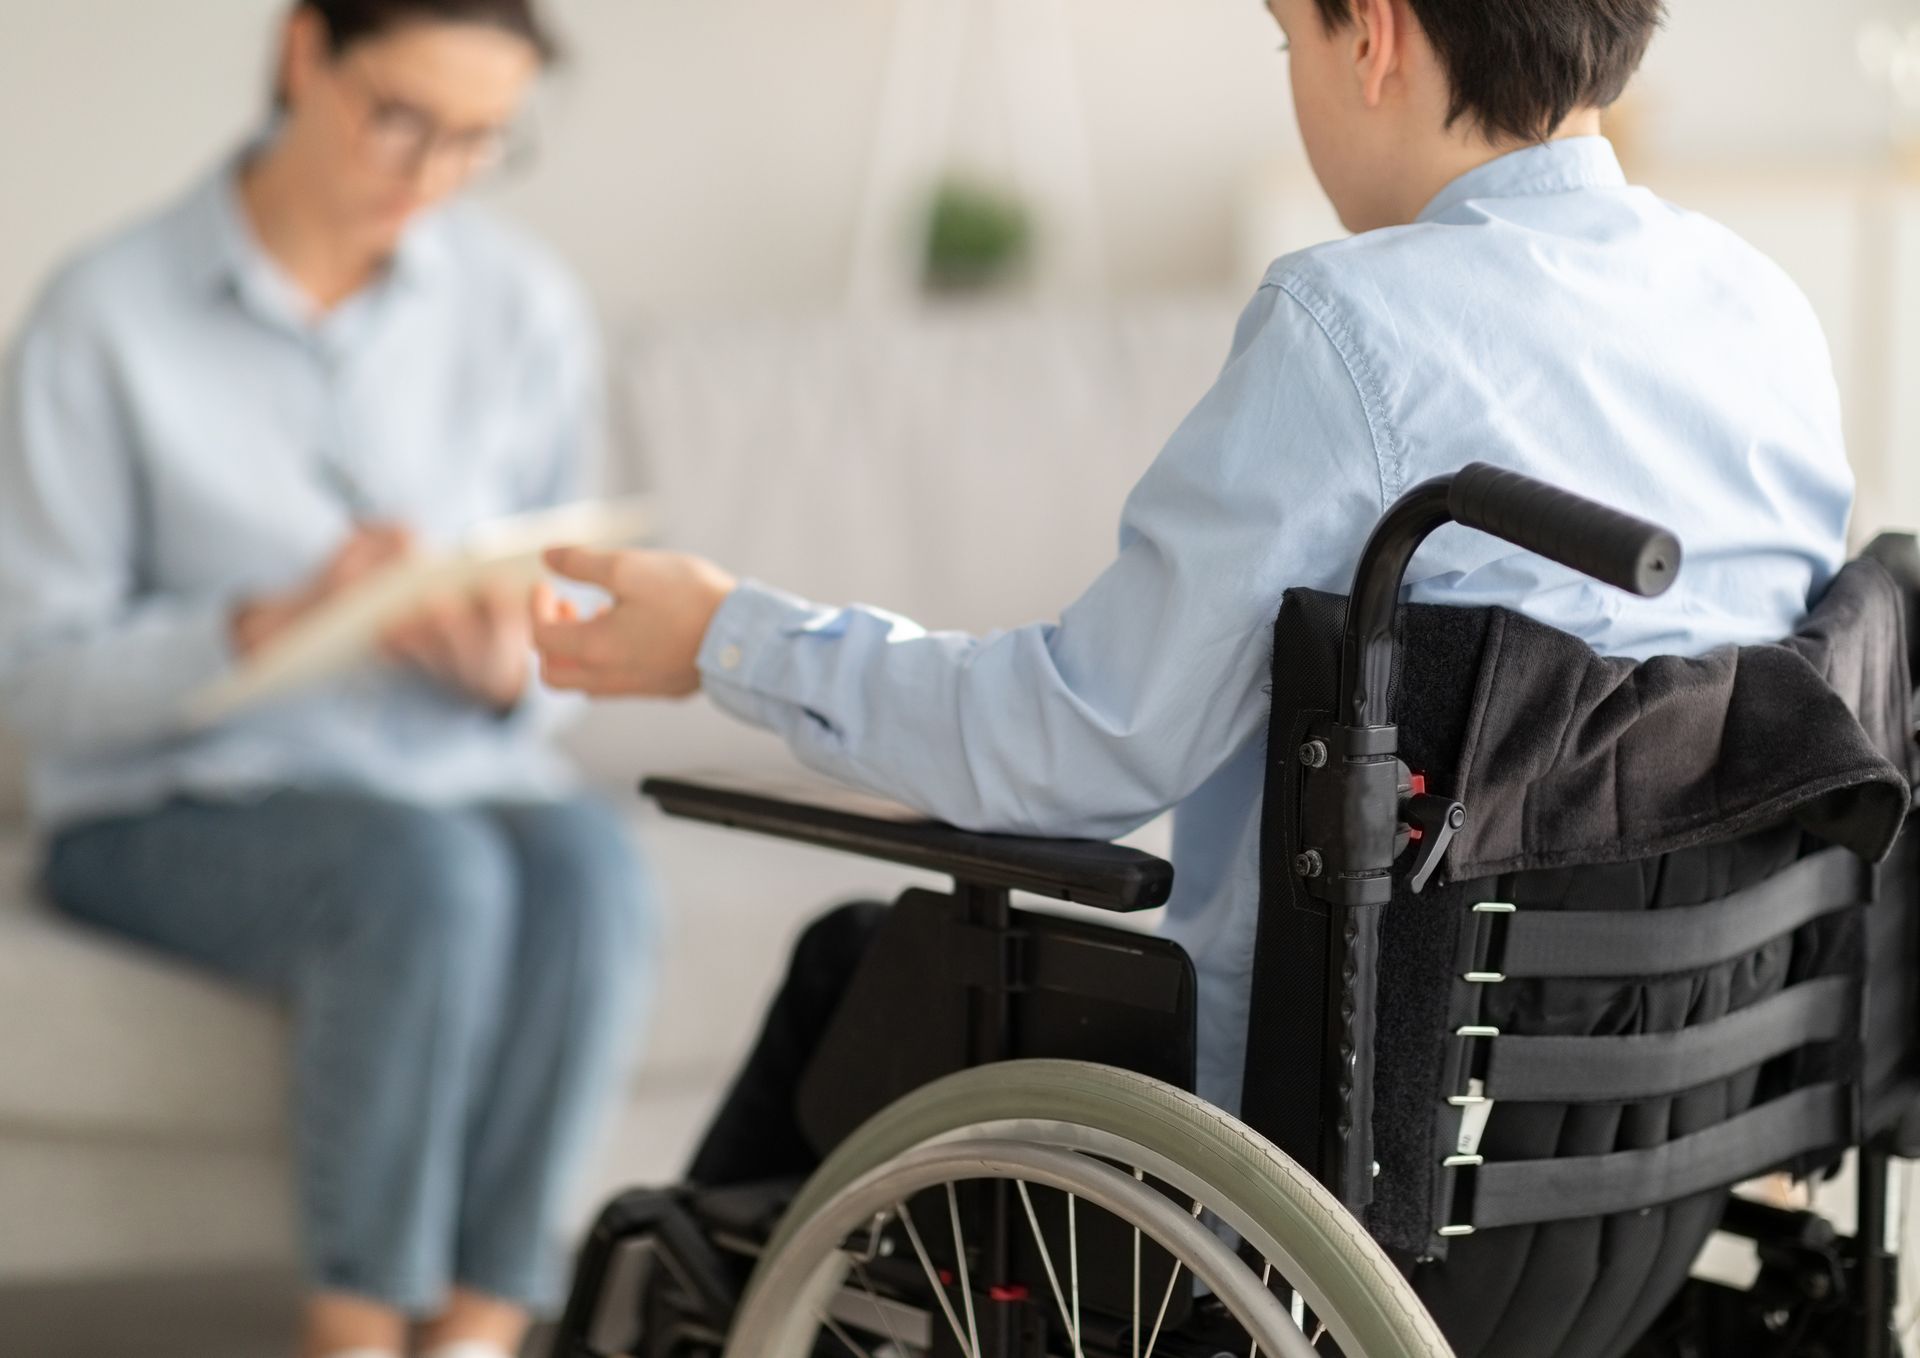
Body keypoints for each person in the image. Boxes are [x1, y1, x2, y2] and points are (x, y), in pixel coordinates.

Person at [535, 0, 1849, 1186]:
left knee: (852, 972)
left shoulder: (1355, 331)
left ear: (1374, 36)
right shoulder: (1762, 317)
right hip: (1646, 1165)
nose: (1296, 74)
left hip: (1325, 1164)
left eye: (1290, 38)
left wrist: (728, 637)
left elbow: (1078, 745)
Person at [0, 3, 655, 1356]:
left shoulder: (520, 304)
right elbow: (30, 681)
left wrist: (506, 673)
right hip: (168, 806)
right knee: (424, 875)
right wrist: (260, 624)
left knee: (592, 864)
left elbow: (565, 624)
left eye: (481, 140)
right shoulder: (102, 315)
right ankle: (354, 1334)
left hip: (448, 773)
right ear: (306, 54)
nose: (430, 175)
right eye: (403, 118)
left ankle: (480, 1329)